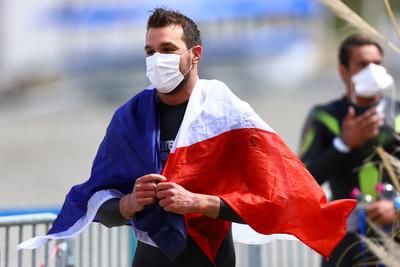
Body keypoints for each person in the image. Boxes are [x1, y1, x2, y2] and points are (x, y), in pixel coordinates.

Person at [18, 7, 356, 267]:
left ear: (194, 54)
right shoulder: (129, 118)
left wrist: (198, 202)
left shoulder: (228, 114)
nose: (156, 60)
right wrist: (128, 203)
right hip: (149, 258)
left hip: (212, 256)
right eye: (150, 52)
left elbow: (272, 197)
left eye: (167, 49)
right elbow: (99, 205)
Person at [299, 34, 399, 266]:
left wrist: (396, 207)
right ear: (344, 71)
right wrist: (343, 144)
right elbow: (302, 182)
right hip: (345, 244)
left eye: (377, 63)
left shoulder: (398, 113)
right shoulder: (325, 116)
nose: (372, 70)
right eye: (363, 64)